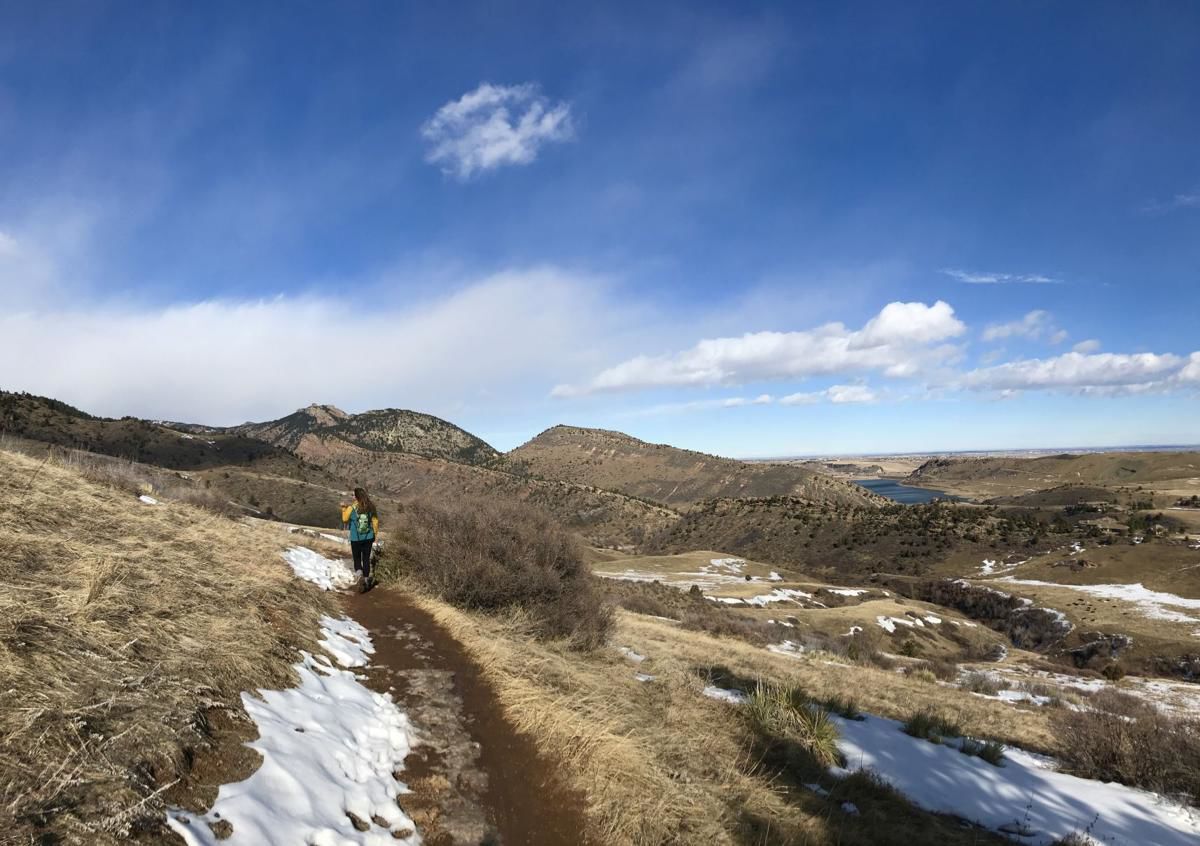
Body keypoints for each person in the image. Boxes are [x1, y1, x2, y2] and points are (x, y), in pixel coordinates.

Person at [340, 487, 379, 593]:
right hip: (368, 537)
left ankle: (359, 574)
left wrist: (343, 508)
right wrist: (374, 534)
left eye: (353, 495)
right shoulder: (371, 507)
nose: (353, 497)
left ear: (357, 496)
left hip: (355, 538)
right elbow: (375, 521)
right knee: (366, 559)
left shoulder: (351, 508)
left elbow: (344, 519)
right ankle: (366, 581)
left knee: (357, 558)